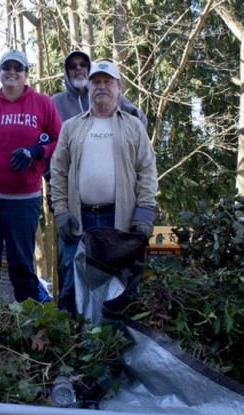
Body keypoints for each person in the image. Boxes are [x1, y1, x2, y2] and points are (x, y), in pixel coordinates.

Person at [49, 60, 158, 316]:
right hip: (79, 220)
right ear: (89, 87)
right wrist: (62, 211)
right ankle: (70, 343)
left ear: (118, 88)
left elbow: (147, 170)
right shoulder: (71, 127)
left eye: (107, 82)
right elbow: (58, 171)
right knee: (71, 284)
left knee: (121, 286)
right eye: (96, 82)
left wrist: (144, 212)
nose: (101, 87)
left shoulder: (133, 126)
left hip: (120, 219)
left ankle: (115, 346)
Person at [0, 49, 62, 302]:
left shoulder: (43, 103)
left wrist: (36, 150)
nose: (12, 72)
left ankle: (28, 323)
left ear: (26, 74)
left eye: (18, 68)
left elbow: (59, 142)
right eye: (7, 67)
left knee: (21, 263)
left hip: (22, 199)